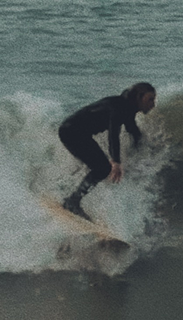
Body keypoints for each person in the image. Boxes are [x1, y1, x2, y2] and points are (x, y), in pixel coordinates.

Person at [58, 81, 156, 219]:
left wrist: (146, 148)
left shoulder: (128, 108)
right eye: (150, 99)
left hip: (79, 134)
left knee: (97, 167)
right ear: (139, 98)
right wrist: (116, 161)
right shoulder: (118, 106)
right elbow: (113, 133)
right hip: (71, 132)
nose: (153, 104)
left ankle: (66, 193)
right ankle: (72, 201)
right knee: (102, 168)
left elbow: (132, 130)